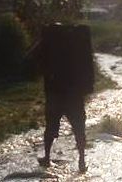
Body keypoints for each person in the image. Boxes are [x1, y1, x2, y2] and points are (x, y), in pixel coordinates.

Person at [36, 23, 94, 173]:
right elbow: (87, 64)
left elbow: (39, 64)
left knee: (51, 127)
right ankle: (82, 161)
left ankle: (47, 158)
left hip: (55, 92)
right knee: (79, 128)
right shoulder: (79, 43)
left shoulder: (50, 42)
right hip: (74, 94)